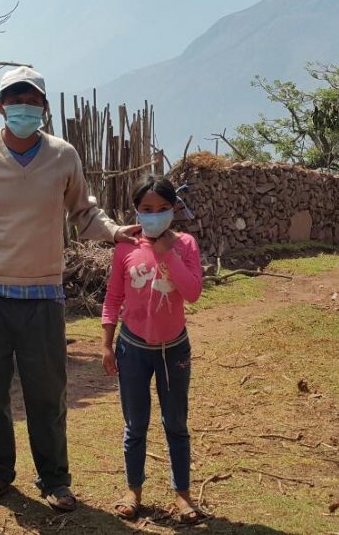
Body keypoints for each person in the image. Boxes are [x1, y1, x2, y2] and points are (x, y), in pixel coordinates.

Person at [0, 66, 140, 511]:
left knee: (46, 392)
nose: (25, 108)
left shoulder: (63, 156)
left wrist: (113, 232)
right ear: (0, 107)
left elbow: (83, 213)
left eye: (33, 101)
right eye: (16, 100)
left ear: (45, 108)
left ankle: (55, 479)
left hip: (42, 295)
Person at [101, 175, 206, 524]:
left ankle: (182, 496)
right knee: (136, 425)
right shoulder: (125, 248)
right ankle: (133, 491)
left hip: (174, 350)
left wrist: (168, 254)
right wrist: (106, 344)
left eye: (162, 209)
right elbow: (114, 297)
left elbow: (192, 293)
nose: (155, 215)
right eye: (147, 209)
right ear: (136, 211)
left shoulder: (186, 244)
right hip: (132, 348)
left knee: (175, 423)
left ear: (174, 209)